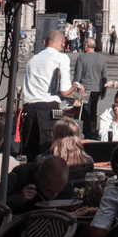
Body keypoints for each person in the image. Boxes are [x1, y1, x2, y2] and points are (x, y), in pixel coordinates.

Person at [21, 28, 74, 158]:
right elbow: (64, 91)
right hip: (49, 108)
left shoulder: (32, 60)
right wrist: (75, 86)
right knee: (50, 149)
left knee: (31, 152)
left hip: (30, 107)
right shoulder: (61, 58)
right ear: (61, 42)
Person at [73, 36, 110, 141]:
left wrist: (75, 88)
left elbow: (77, 75)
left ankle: (87, 132)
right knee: (94, 111)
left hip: (84, 89)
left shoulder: (81, 58)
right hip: (97, 88)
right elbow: (104, 76)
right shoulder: (101, 58)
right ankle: (93, 130)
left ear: (85, 46)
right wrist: (104, 91)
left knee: (85, 111)